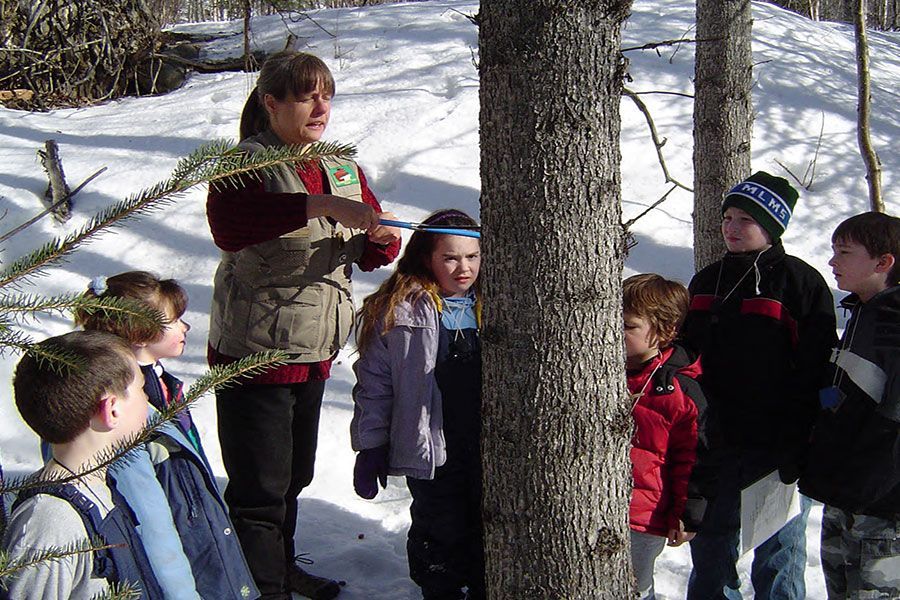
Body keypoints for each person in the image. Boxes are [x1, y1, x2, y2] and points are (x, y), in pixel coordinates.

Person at [206, 50, 401, 600]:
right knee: (259, 490)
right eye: (305, 95)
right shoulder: (245, 163)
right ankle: (261, 589)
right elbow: (230, 226)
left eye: (326, 95)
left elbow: (363, 246)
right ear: (271, 103)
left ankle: (280, 571)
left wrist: (379, 241)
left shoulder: (341, 165)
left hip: (313, 349)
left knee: (293, 478)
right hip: (255, 351)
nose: (320, 106)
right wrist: (319, 205)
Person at [680, 171, 837, 600]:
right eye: (727, 217)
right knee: (711, 550)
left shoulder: (800, 283)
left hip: (777, 446)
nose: (731, 227)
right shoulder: (706, 281)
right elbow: (684, 358)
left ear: (772, 225)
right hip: (715, 442)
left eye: (744, 219)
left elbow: (817, 367)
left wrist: (801, 439)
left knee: (779, 555)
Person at [75, 271, 258, 600]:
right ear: (139, 332)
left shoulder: (160, 384)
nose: (185, 328)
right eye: (174, 321)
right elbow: (150, 519)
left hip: (197, 542)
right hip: (177, 565)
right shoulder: (124, 413)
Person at [351, 209, 484, 600]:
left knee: (483, 523)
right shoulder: (401, 309)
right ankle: (439, 587)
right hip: (430, 445)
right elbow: (375, 383)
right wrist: (371, 445)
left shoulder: (498, 303)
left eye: (472, 256)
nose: (464, 267)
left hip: (487, 443)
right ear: (427, 257)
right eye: (450, 257)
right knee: (440, 525)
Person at [3, 331, 165, 599]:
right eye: (141, 389)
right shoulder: (50, 522)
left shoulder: (97, 483)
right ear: (111, 410)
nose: (148, 400)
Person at [798, 211, 900, 599]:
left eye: (844, 252)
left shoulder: (894, 322)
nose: (832, 262)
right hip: (843, 495)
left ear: (883, 262)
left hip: (882, 509)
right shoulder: (862, 314)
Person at [623, 274, 716, 600]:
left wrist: (687, 513)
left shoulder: (679, 391)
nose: (615, 333)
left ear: (665, 332)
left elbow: (691, 457)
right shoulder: (610, 372)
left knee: (634, 589)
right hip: (599, 507)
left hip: (645, 516)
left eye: (629, 326)